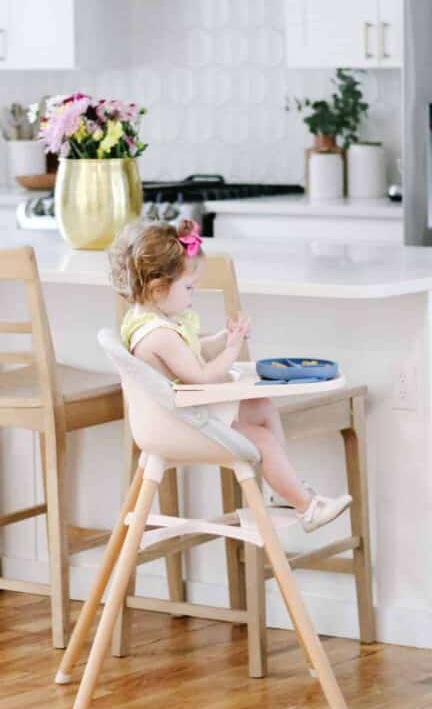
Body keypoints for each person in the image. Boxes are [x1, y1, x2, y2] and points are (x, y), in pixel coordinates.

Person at [109, 219, 352, 533]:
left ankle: (283, 491)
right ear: (158, 287)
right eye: (188, 287)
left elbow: (192, 352)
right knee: (261, 440)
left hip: (185, 413)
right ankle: (306, 507)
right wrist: (233, 349)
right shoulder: (159, 335)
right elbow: (203, 376)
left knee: (262, 407)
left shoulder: (150, 321)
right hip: (182, 425)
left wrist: (223, 338)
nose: (192, 295)